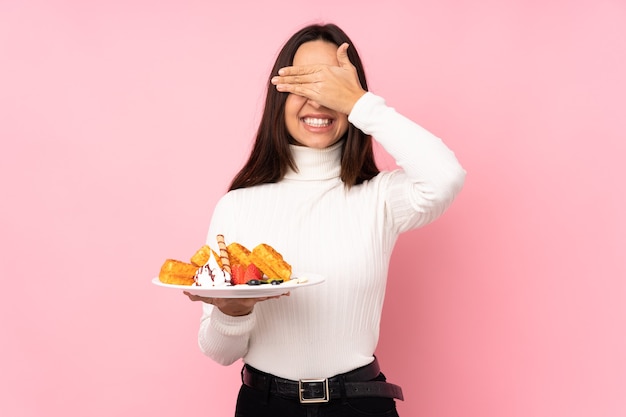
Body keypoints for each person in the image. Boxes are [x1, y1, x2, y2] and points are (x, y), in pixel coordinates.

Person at [184, 22, 466, 417]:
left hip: (360, 404)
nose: (318, 101)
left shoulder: (379, 197)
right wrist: (233, 312)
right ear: (277, 96)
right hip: (264, 406)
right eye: (304, 85)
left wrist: (361, 104)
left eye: (330, 86)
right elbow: (219, 352)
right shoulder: (237, 206)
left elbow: (446, 176)